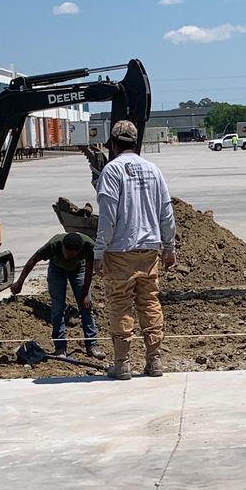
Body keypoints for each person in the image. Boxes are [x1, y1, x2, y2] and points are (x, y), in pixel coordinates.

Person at [94, 119, 177, 379]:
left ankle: (122, 364)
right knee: (150, 303)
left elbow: (107, 217)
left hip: (119, 251)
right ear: (136, 142)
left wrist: (98, 252)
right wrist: (169, 246)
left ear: (114, 144)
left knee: (120, 305)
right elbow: (166, 212)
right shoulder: (153, 170)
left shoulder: (112, 170)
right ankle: (154, 362)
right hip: (149, 251)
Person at [11, 231, 99, 357]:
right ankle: (60, 348)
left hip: (79, 270)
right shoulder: (53, 245)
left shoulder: (88, 246)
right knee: (58, 308)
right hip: (57, 270)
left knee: (86, 307)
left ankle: (92, 345)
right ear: (62, 246)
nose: (69, 256)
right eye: (67, 253)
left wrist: (85, 294)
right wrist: (19, 282)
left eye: (73, 254)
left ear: (79, 250)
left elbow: (89, 271)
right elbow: (33, 260)